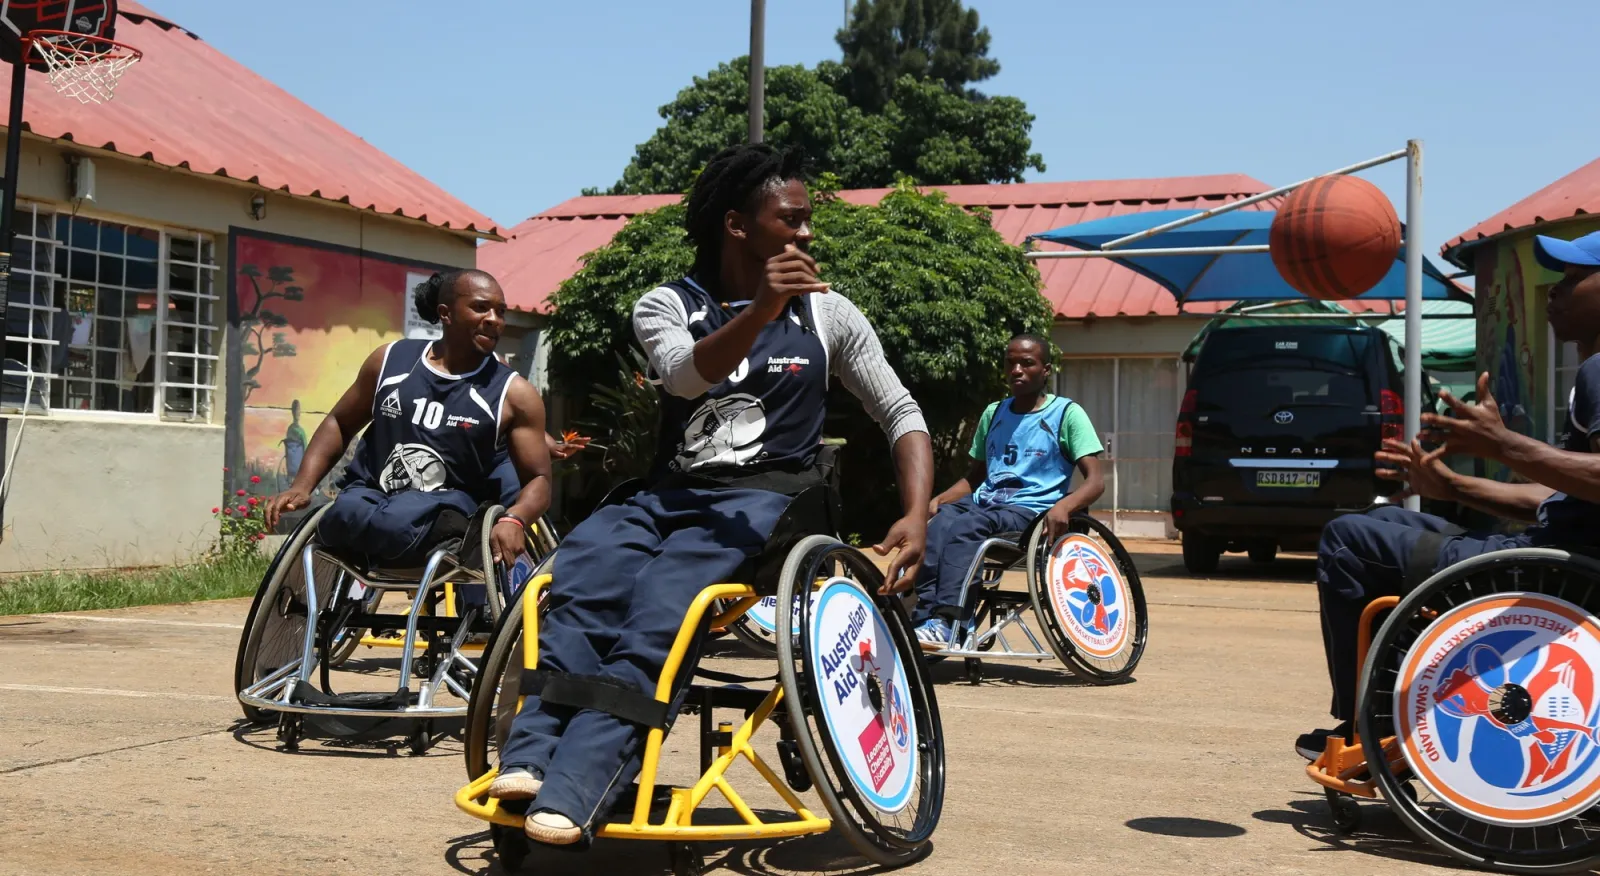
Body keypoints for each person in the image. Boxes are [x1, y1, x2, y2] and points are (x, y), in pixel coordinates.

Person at [491, 143, 933, 846]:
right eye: (790, 220)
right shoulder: (667, 305)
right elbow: (683, 378)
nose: (806, 234)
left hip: (769, 503)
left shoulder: (828, 315)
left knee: (668, 598)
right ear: (737, 225)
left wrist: (914, 514)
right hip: (673, 493)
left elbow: (901, 413)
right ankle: (531, 755)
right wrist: (760, 310)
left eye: (806, 220)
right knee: (581, 574)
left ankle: (583, 780)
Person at [1298, 229, 1600, 760]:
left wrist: (1506, 445)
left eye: (1573, 279)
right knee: (1391, 525)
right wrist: (1451, 485)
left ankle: (1366, 726)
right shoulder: (1590, 374)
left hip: (1559, 574)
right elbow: (1557, 497)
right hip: (1564, 555)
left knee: (1349, 541)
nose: (1554, 291)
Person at [263, 269, 552, 572]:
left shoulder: (514, 394)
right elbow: (340, 422)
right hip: (373, 498)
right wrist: (302, 485)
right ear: (446, 313)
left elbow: (539, 479)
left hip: (447, 514)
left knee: (398, 521)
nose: (495, 319)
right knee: (342, 514)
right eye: (481, 307)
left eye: (501, 311)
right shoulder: (390, 361)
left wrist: (515, 517)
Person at [912, 334, 1106, 648]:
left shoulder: (1066, 415)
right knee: (938, 521)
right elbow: (975, 478)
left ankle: (951, 621)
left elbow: (1096, 481)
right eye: (1010, 363)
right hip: (987, 503)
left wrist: (1065, 507)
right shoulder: (994, 413)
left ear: (1046, 370)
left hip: (1030, 511)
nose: (1016, 369)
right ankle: (925, 619)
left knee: (965, 527)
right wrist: (939, 499)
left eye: (1027, 363)